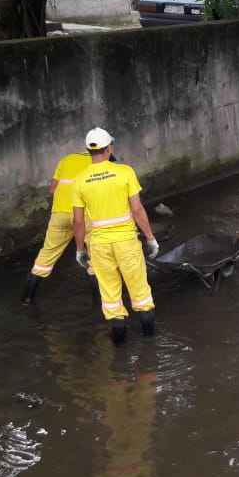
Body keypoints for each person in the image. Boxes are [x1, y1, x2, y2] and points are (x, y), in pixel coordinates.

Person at [72, 127, 160, 343]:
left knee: (111, 298)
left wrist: (80, 250)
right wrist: (150, 238)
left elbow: (78, 221)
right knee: (140, 292)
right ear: (109, 148)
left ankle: (120, 355)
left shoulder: (80, 180)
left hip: (99, 246)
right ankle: (150, 347)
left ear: (88, 151)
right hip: (126, 243)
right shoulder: (125, 172)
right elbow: (137, 210)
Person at [22, 150, 93, 304]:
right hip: (84, 215)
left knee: (46, 255)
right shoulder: (100, 163)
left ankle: (27, 299)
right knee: (94, 256)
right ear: (106, 149)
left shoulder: (66, 160)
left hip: (59, 214)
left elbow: (52, 189)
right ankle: (99, 302)